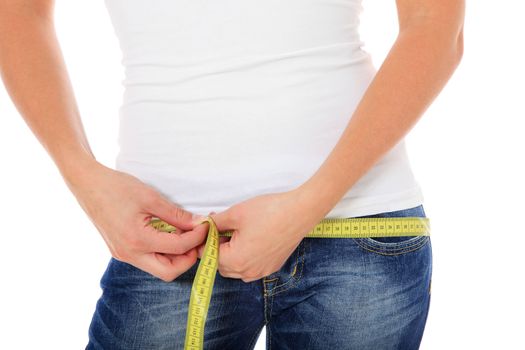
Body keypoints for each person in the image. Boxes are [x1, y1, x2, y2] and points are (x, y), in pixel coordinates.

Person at [0, 0, 464, 349]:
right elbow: (18, 13)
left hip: (356, 230)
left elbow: (437, 24)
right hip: (170, 240)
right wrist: (85, 178)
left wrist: (309, 203)